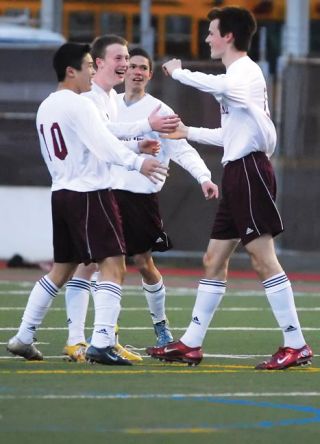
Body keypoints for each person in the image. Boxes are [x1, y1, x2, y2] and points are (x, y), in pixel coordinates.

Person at [147, 5, 313, 370]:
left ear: (229, 36)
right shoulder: (237, 78)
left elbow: (223, 89)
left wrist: (180, 74)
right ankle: (191, 343)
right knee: (213, 259)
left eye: (211, 31)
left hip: (250, 171)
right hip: (237, 171)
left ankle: (295, 343)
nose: (207, 37)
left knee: (262, 258)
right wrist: (187, 131)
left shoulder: (244, 72)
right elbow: (229, 134)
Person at [6, 42, 168, 366]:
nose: (92, 72)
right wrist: (137, 162)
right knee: (114, 265)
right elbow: (104, 143)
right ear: (71, 71)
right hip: (90, 192)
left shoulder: (48, 106)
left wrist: (136, 140)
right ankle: (102, 342)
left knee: (62, 269)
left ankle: (24, 336)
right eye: (87, 66)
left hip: (62, 192)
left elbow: (102, 132)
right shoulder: (79, 104)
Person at [63, 43, 219, 362]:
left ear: (149, 74)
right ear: (121, 70)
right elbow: (99, 140)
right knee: (94, 263)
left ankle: (160, 325)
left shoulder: (159, 111)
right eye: (130, 65)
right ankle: (98, 334)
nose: (135, 71)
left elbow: (183, 149)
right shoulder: (106, 104)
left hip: (141, 198)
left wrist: (204, 177)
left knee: (143, 263)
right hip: (107, 192)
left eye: (142, 67)